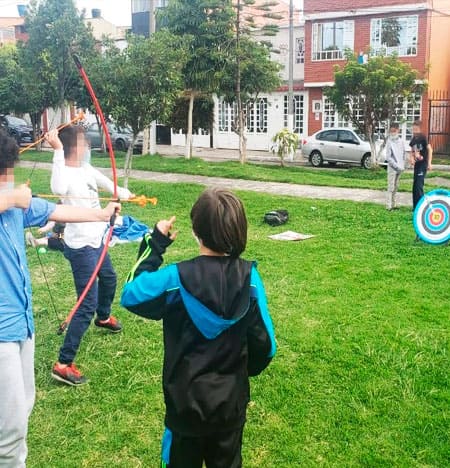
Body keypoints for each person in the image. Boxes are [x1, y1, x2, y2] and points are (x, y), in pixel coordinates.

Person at [121, 188, 276, 468]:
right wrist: (240, 372)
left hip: (185, 408)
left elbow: (131, 293)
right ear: (239, 229)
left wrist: (155, 243)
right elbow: (266, 347)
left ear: (195, 230)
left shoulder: (174, 278)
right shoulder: (250, 278)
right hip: (230, 407)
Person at [0, 129, 120, 467]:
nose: (9, 181)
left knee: (20, 413)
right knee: (8, 436)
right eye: (4, 175)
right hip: (1, 335)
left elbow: (58, 211)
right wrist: (9, 199)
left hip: (22, 326)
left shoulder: (13, 208)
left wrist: (100, 214)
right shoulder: (8, 202)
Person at [47, 126, 134, 386]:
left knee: (109, 277)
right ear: (73, 147)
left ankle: (104, 316)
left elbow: (108, 183)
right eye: (84, 142)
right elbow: (58, 186)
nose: (87, 146)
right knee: (86, 304)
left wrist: (129, 195)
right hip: (81, 247)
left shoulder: (86, 169)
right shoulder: (64, 173)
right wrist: (58, 151)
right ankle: (63, 364)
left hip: (97, 239)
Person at [409, 120, 433, 210]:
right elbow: (411, 151)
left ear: (420, 129)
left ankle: (422, 206)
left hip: (423, 164)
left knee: (419, 185)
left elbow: (430, 150)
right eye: (413, 129)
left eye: (416, 129)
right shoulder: (413, 139)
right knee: (415, 185)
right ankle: (415, 207)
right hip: (417, 165)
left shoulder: (423, 137)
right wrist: (411, 159)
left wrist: (429, 163)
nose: (414, 131)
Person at [385, 122, 407, 211]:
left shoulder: (401, 141)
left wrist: (403, 165)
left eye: (395, 130)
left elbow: (403, 153)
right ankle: (389, 206)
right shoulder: (389, 142)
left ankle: (394, 204)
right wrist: (396, 166)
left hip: (400, 168)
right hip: (392, 168)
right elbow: (388, 157)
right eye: (391, 131)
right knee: (391, 187)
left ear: (398, 130)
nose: (393, 132)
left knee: (396, 186)